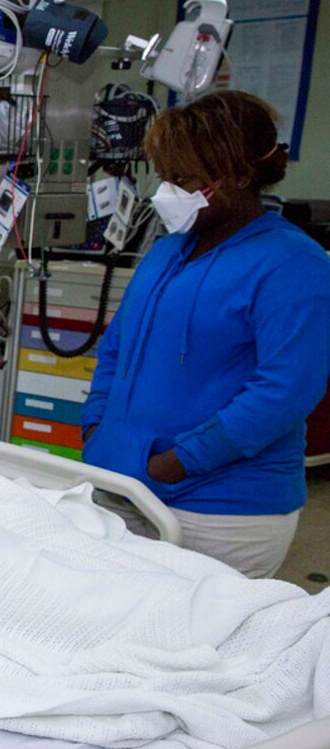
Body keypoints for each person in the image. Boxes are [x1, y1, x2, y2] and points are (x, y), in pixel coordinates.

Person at [82, 90, 330, 578]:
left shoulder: (292, 263)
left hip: (218, 506)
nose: (165, 191)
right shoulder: (168, 251)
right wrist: (96, 426)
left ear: (238, 176)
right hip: (121, 478)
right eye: (164, 175)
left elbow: (284, 392)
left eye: (183, 179)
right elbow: (117, 348)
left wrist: (178, 462)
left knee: (188, 643)